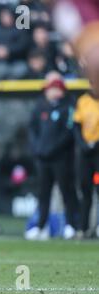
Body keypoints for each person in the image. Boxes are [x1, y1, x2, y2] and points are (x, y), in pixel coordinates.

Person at [26, 72, 79, 240]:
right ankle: (42, 226)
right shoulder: (40, 106)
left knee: (67, 192)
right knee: (43, 193)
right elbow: (32, 129)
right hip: (42, 158)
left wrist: (53, 149)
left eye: (56, 88)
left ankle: (72, 225)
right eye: (50, 89)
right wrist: (38, 148)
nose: (53, 92)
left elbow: (69, 132)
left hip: (62, 158)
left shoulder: (69, 106)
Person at [73, 82, 99, 238]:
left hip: (98, 152)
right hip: (85, 153)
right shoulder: (83, 101)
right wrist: (83, 144)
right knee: (85, 190)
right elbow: (76, 126)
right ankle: (83, 228)